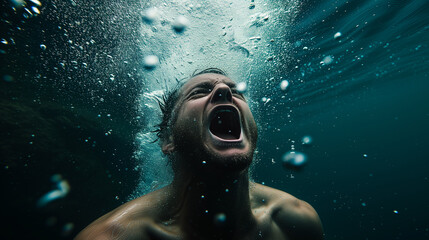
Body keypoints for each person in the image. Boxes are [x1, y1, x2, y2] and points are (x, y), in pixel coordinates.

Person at [75, 68, 324, 240]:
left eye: (237, 92)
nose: (224, 90)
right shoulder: (111, 236)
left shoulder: (297, 222)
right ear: (168, 139)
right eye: (199, 92)